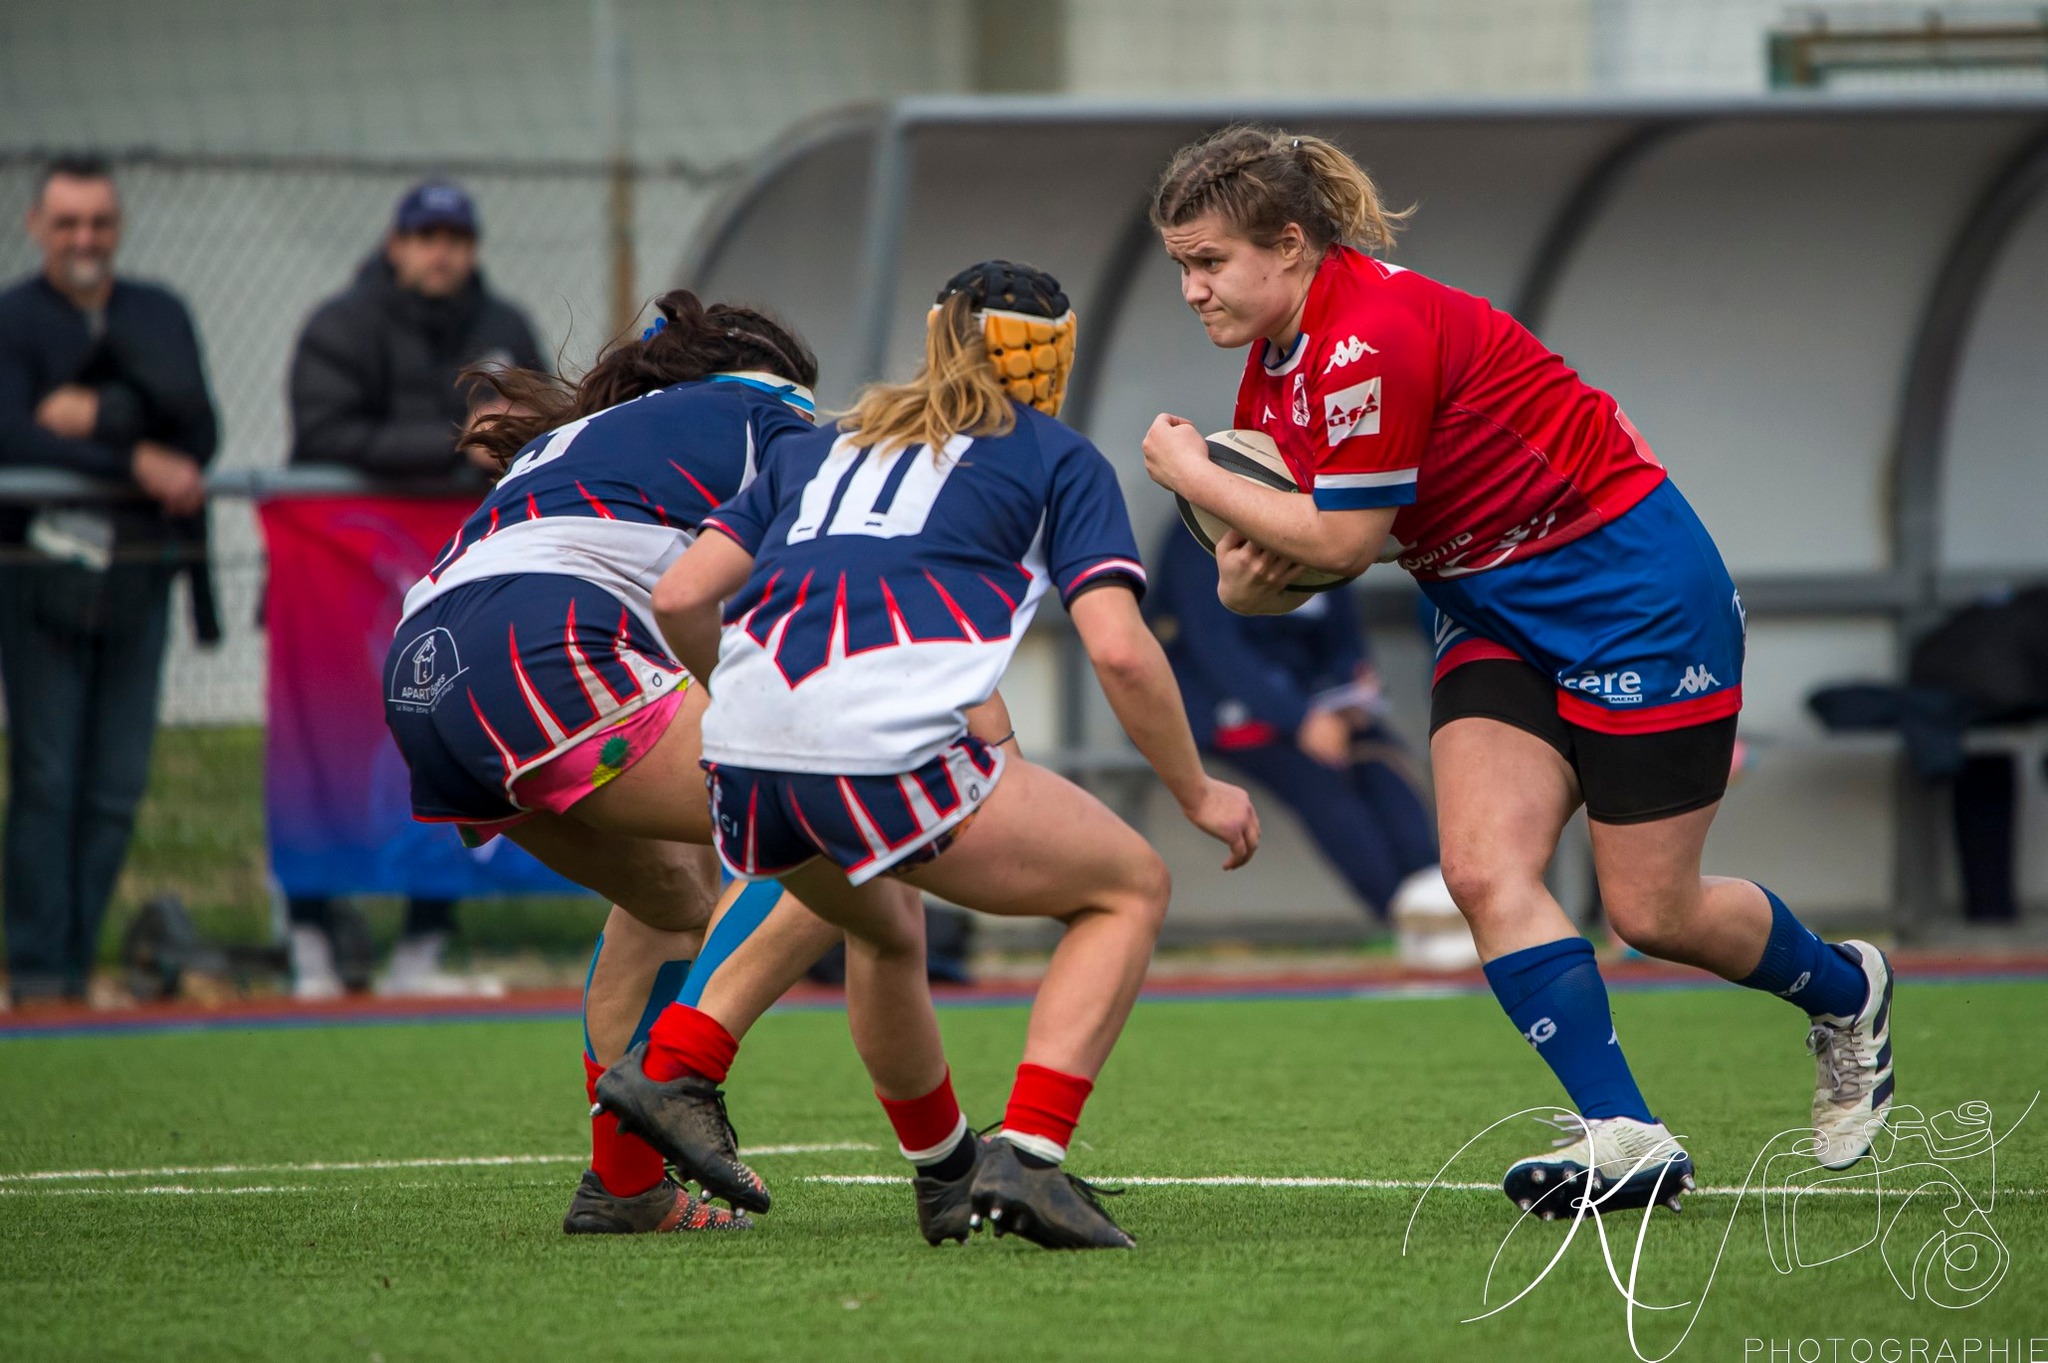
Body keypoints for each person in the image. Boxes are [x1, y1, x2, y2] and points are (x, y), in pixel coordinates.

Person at [1140, 126, 1892, 1216]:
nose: (1191, 290)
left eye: (1209, 262)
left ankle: (1847, 989)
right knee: (1483, 871)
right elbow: (1305, 566)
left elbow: (1341, 539)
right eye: (1180, 266)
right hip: (1490, 612)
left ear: (1290, 244)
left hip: (1631, 596)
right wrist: (1244, 589)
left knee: (1653, 911)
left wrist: (1183, 470)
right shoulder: (1275, 371)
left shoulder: (1369, 336)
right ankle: (1625, 1133)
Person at [600, 260, 1260, 1251]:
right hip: (877, 756)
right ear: (1051, 358)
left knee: (883, 926)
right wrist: (1198, 791)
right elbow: (1121, 651)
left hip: (740, 763)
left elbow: (681, 596)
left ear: (937, 336)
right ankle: (1028, 1151)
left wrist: (750, 709)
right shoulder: (1055, 456)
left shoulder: (821, 445)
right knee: (1129, 887)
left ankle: (710, 1073)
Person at [385, 289, 847, 1233]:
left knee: (677, 893)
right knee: (858, 810)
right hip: (539, 646)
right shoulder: (770, 409)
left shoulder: (596, 435)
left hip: (421, 674)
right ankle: (680, 1068)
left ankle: (626, 1184)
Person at [287, 179, 549, 999]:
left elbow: (545, 426)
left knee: (450, 736)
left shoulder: (505, 327)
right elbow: (323, 431)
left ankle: (424, 945)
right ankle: (309, 938)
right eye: (427, 236)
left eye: (456, 237)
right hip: (347, 586)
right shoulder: (342, 325)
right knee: (328, 746)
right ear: (396, 243)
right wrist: (453, 445)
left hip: (458, 577)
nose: (442, 252)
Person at [0, 155, 217, 1006]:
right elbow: (14, 436)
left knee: (117, 785)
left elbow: (196, 425)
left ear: (117, 227)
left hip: (139, 576)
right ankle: (38, 970)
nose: (84, 239)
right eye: (67, 223)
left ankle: (77, 964)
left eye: (98, 222)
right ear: (37, 227)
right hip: (37, 578)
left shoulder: (158, 312)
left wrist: (98, 415)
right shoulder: (14, 319)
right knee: (47, 778)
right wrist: (133, 456)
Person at [1148, 523, 1443, 923]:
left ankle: (1437, 899)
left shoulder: (1320, 526)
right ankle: (1404, 917)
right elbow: (1216, 648)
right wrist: (1299, 718)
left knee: (1386, 770)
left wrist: (1350, 688)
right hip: (1228, 709)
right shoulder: (1200, 532)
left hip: (1318, 705)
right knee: (1323, 787)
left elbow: (1343, 635)